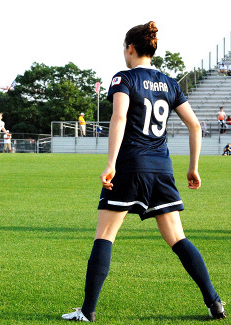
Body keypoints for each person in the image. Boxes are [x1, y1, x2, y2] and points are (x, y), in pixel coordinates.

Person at [61, 21, 226, 322]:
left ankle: (87, 311)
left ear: (131, 48)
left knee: (105, 236)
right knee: (178, 239)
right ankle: (214, 302)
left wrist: (110, 163)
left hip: (129, 166)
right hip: (161, 169)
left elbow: (119, 116)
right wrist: (193, 167)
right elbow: (195, 125)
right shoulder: (170, 83)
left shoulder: (124, 78)